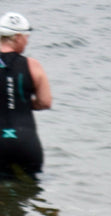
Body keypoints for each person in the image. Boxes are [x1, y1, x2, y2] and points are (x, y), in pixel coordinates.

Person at [0, 12, 52, 178]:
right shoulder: (33, 65)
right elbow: (45, 102)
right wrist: (21, 102)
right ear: (17, 37)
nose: (27, 41)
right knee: (31, 192)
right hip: (26, 141)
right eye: (26, 36)